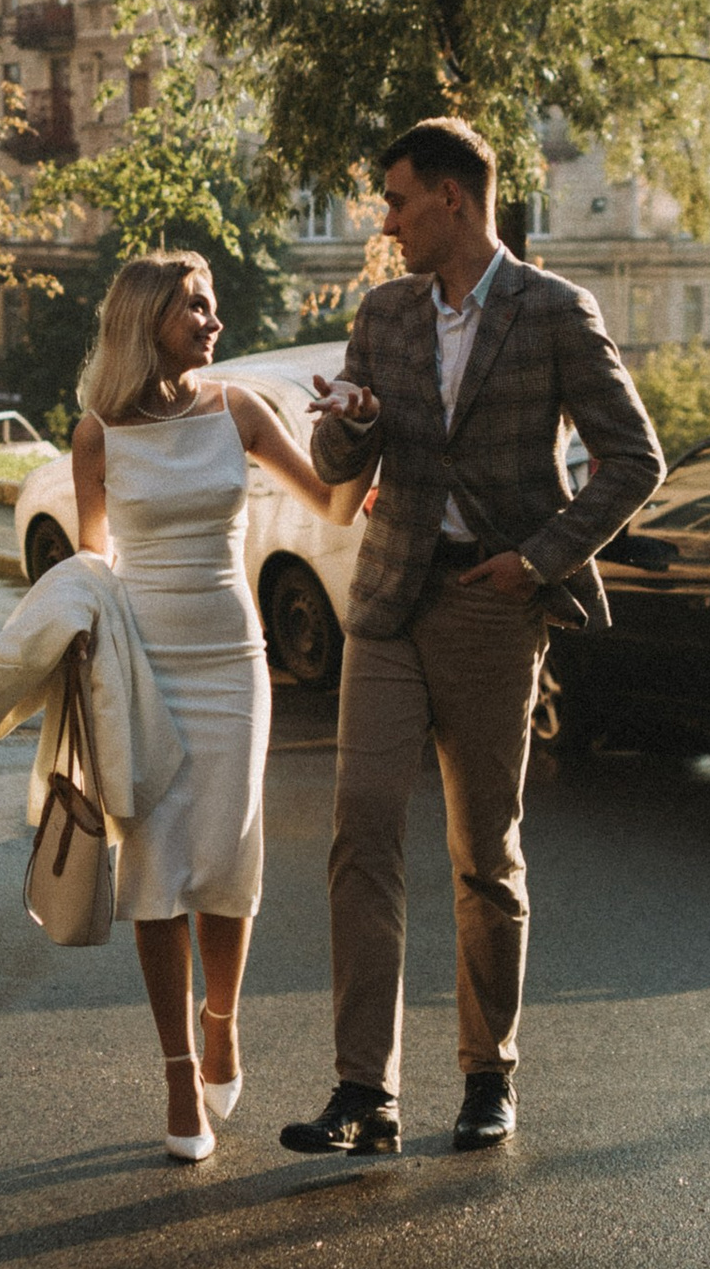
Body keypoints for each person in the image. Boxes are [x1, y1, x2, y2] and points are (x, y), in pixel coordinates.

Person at [280, 117, 664, 1160]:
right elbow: (337, 467)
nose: (387, 221)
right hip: (392, 597)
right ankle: (365, 1092)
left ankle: (487, 1072)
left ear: (453, 197)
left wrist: (539, 560)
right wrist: (352, 419)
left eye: (398, 200)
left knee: (482, 851)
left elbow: (635, 460)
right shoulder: (387, 312)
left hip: (495, 608)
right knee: (360, 824)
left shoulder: (552, 311)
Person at [72, 250, 338, 1164]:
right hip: (144, 670)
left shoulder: (240, 411)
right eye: (195, 307)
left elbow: (334, 507)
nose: (213, 322)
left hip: (233, 663)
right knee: (152, 869)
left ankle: (221, 1018)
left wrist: (358, 432)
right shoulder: (99, 433)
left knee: (228, 857)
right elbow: (92, 558)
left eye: (213, 305)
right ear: (148, 320)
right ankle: (180, 1071)